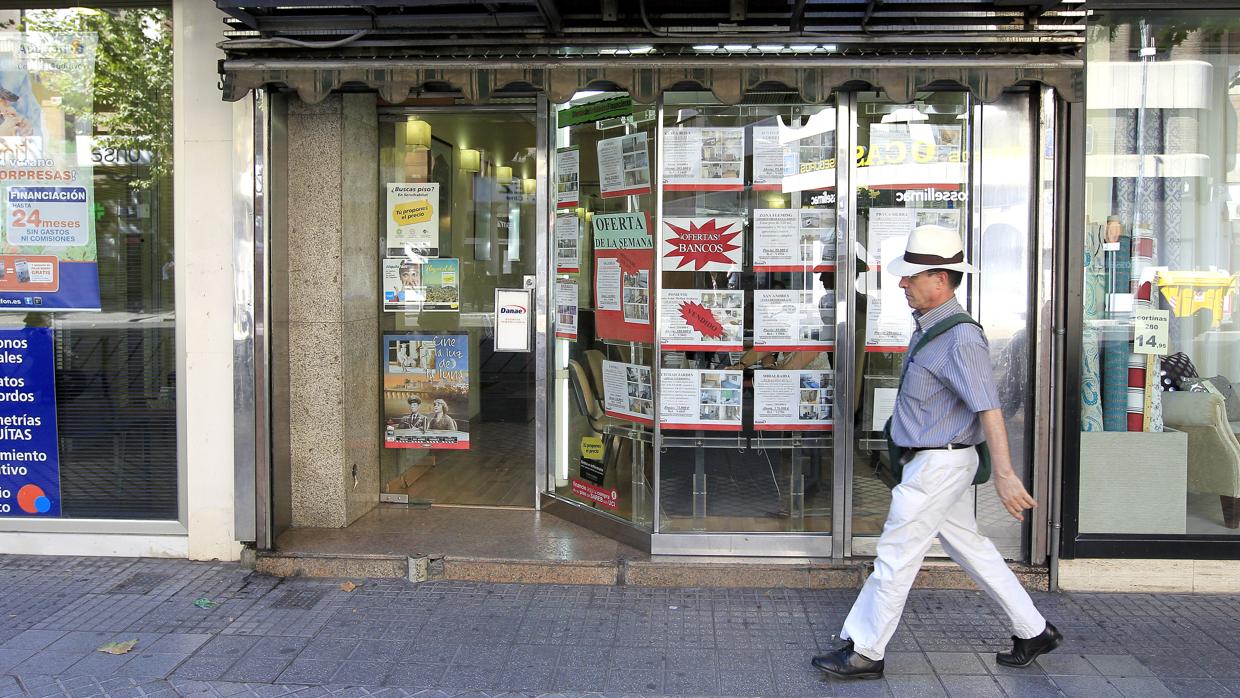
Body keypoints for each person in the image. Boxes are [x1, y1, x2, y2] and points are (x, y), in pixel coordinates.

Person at [812, 225, 1060, 680]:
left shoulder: (960, 338)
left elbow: (989, 407)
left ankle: (866, 650)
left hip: (940, 464)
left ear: (940, 279)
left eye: (912, 276)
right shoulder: (932, 328)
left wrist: (1005, 474)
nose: (903, 283)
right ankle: (1034, 629)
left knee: (896, 552)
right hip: (933, 460)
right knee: (972, 548)